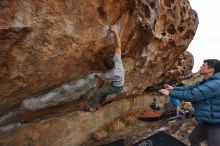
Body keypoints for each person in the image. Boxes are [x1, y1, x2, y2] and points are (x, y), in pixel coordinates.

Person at [159, 59, 220, 146]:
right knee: (194, 138)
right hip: (207, 121)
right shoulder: (207, 81)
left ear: (211, 69)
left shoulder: (215, 84)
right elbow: (191, 88)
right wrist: (173, 88)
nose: (200, 67)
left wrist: (170, 93)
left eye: (203, 65)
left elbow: (192, 95)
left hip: (216, 124)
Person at [87, 27, 125, 112]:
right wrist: (115, 32)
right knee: (105, 92)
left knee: (98, 92)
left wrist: (94, 74)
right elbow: (118, 46)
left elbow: (100, 77)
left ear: (107, 68)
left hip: (116, 87)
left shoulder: (111, 74)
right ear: (113, 61)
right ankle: (99, 104)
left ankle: (92, 107)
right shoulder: (118, 61)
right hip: (118, 83)